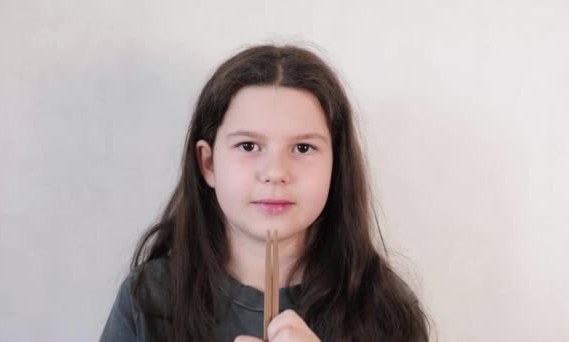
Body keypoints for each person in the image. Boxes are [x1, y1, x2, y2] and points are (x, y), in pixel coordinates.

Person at [99, 44, 430, 342]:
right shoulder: (150, 300)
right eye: (248, 145)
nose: (275, 172)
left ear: (336, 165)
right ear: (209, 163)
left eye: (303, 147)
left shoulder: (384, 309)